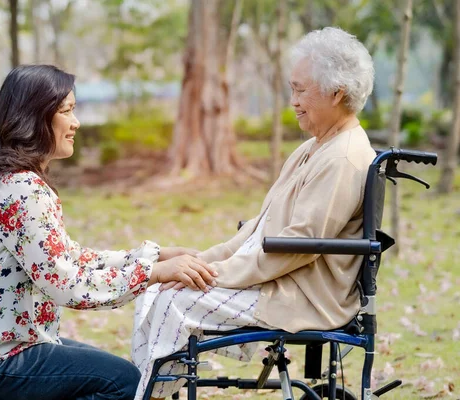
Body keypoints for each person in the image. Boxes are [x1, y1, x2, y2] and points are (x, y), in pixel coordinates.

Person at [0, 64, 219, 400]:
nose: (76, 122)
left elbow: (69, 258)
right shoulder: (22, 189)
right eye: (67, 111)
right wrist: (152, 273)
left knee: (108, 372)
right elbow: (68, 285)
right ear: (34, 117)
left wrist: (153, 255)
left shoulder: (11, 181)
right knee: (123, 381)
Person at [132, 26, 377, 399]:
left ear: (336, 92)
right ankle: (149, 390)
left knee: (172, 299)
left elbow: (299, 246)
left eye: (300, 90)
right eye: (292, 88)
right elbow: (258, 229)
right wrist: (201, 261)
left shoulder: (342, 157)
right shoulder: (313, 147)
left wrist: (217, 275)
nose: (292, 100)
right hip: (279, 281)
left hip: (303, 298)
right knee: (155, 291)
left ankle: (149, 394)